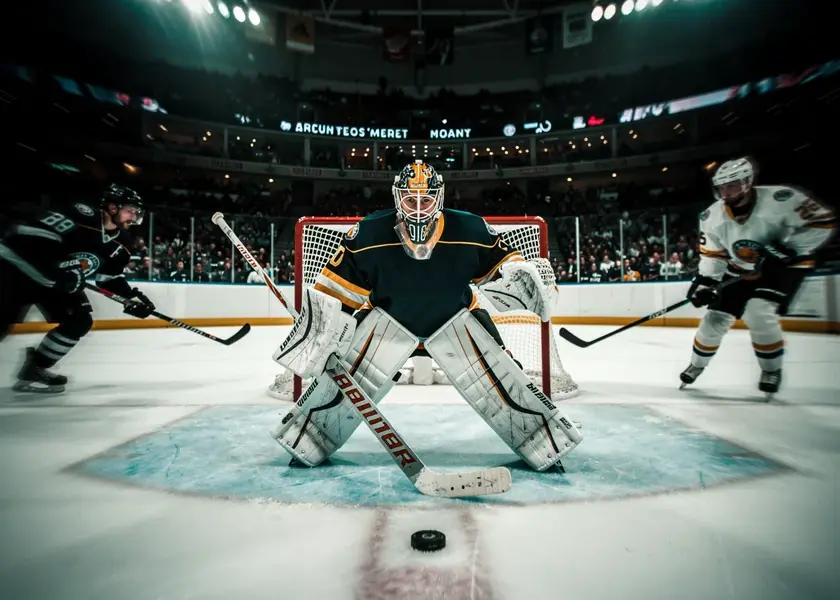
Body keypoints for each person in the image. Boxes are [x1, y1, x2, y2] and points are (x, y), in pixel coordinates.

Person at [270, 160, 581, 472]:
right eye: (410, 200)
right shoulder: (368, 234)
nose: (418, 208)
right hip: (387, 325)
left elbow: (506, 269)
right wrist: (321, 337)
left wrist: (524, 280)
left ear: (439, 198)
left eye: (426, 200)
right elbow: (333, 294)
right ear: (397, 198)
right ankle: (307, 437)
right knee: (341, 382)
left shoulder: (470, 229)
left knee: (505, 382)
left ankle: (545, 443)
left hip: (457, 321)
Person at [681, 157, 835, 397]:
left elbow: (824, 222)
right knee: (714, 318)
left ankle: (771, 370)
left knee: (758, 311)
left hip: (783, 267)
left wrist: (789, 249)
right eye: (722, 187)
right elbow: (713, 254)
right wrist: (706, 281)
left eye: (731, 185)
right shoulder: (711, 216)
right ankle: (696, 365)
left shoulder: (782, 199)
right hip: (739, 268)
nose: (726, 192)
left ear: (747, 182)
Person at [0, 184, 156, 393]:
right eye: (130, 210)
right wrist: (57, 265)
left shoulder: (123, 244)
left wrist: (129, 297)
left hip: (56, 284)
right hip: (20, 270)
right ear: (112, 207)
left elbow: (108, 277)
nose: (133, 217)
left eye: (137, 212)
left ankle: (35, 369)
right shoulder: (82, 215)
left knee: (79, 320)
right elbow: (28, 234)